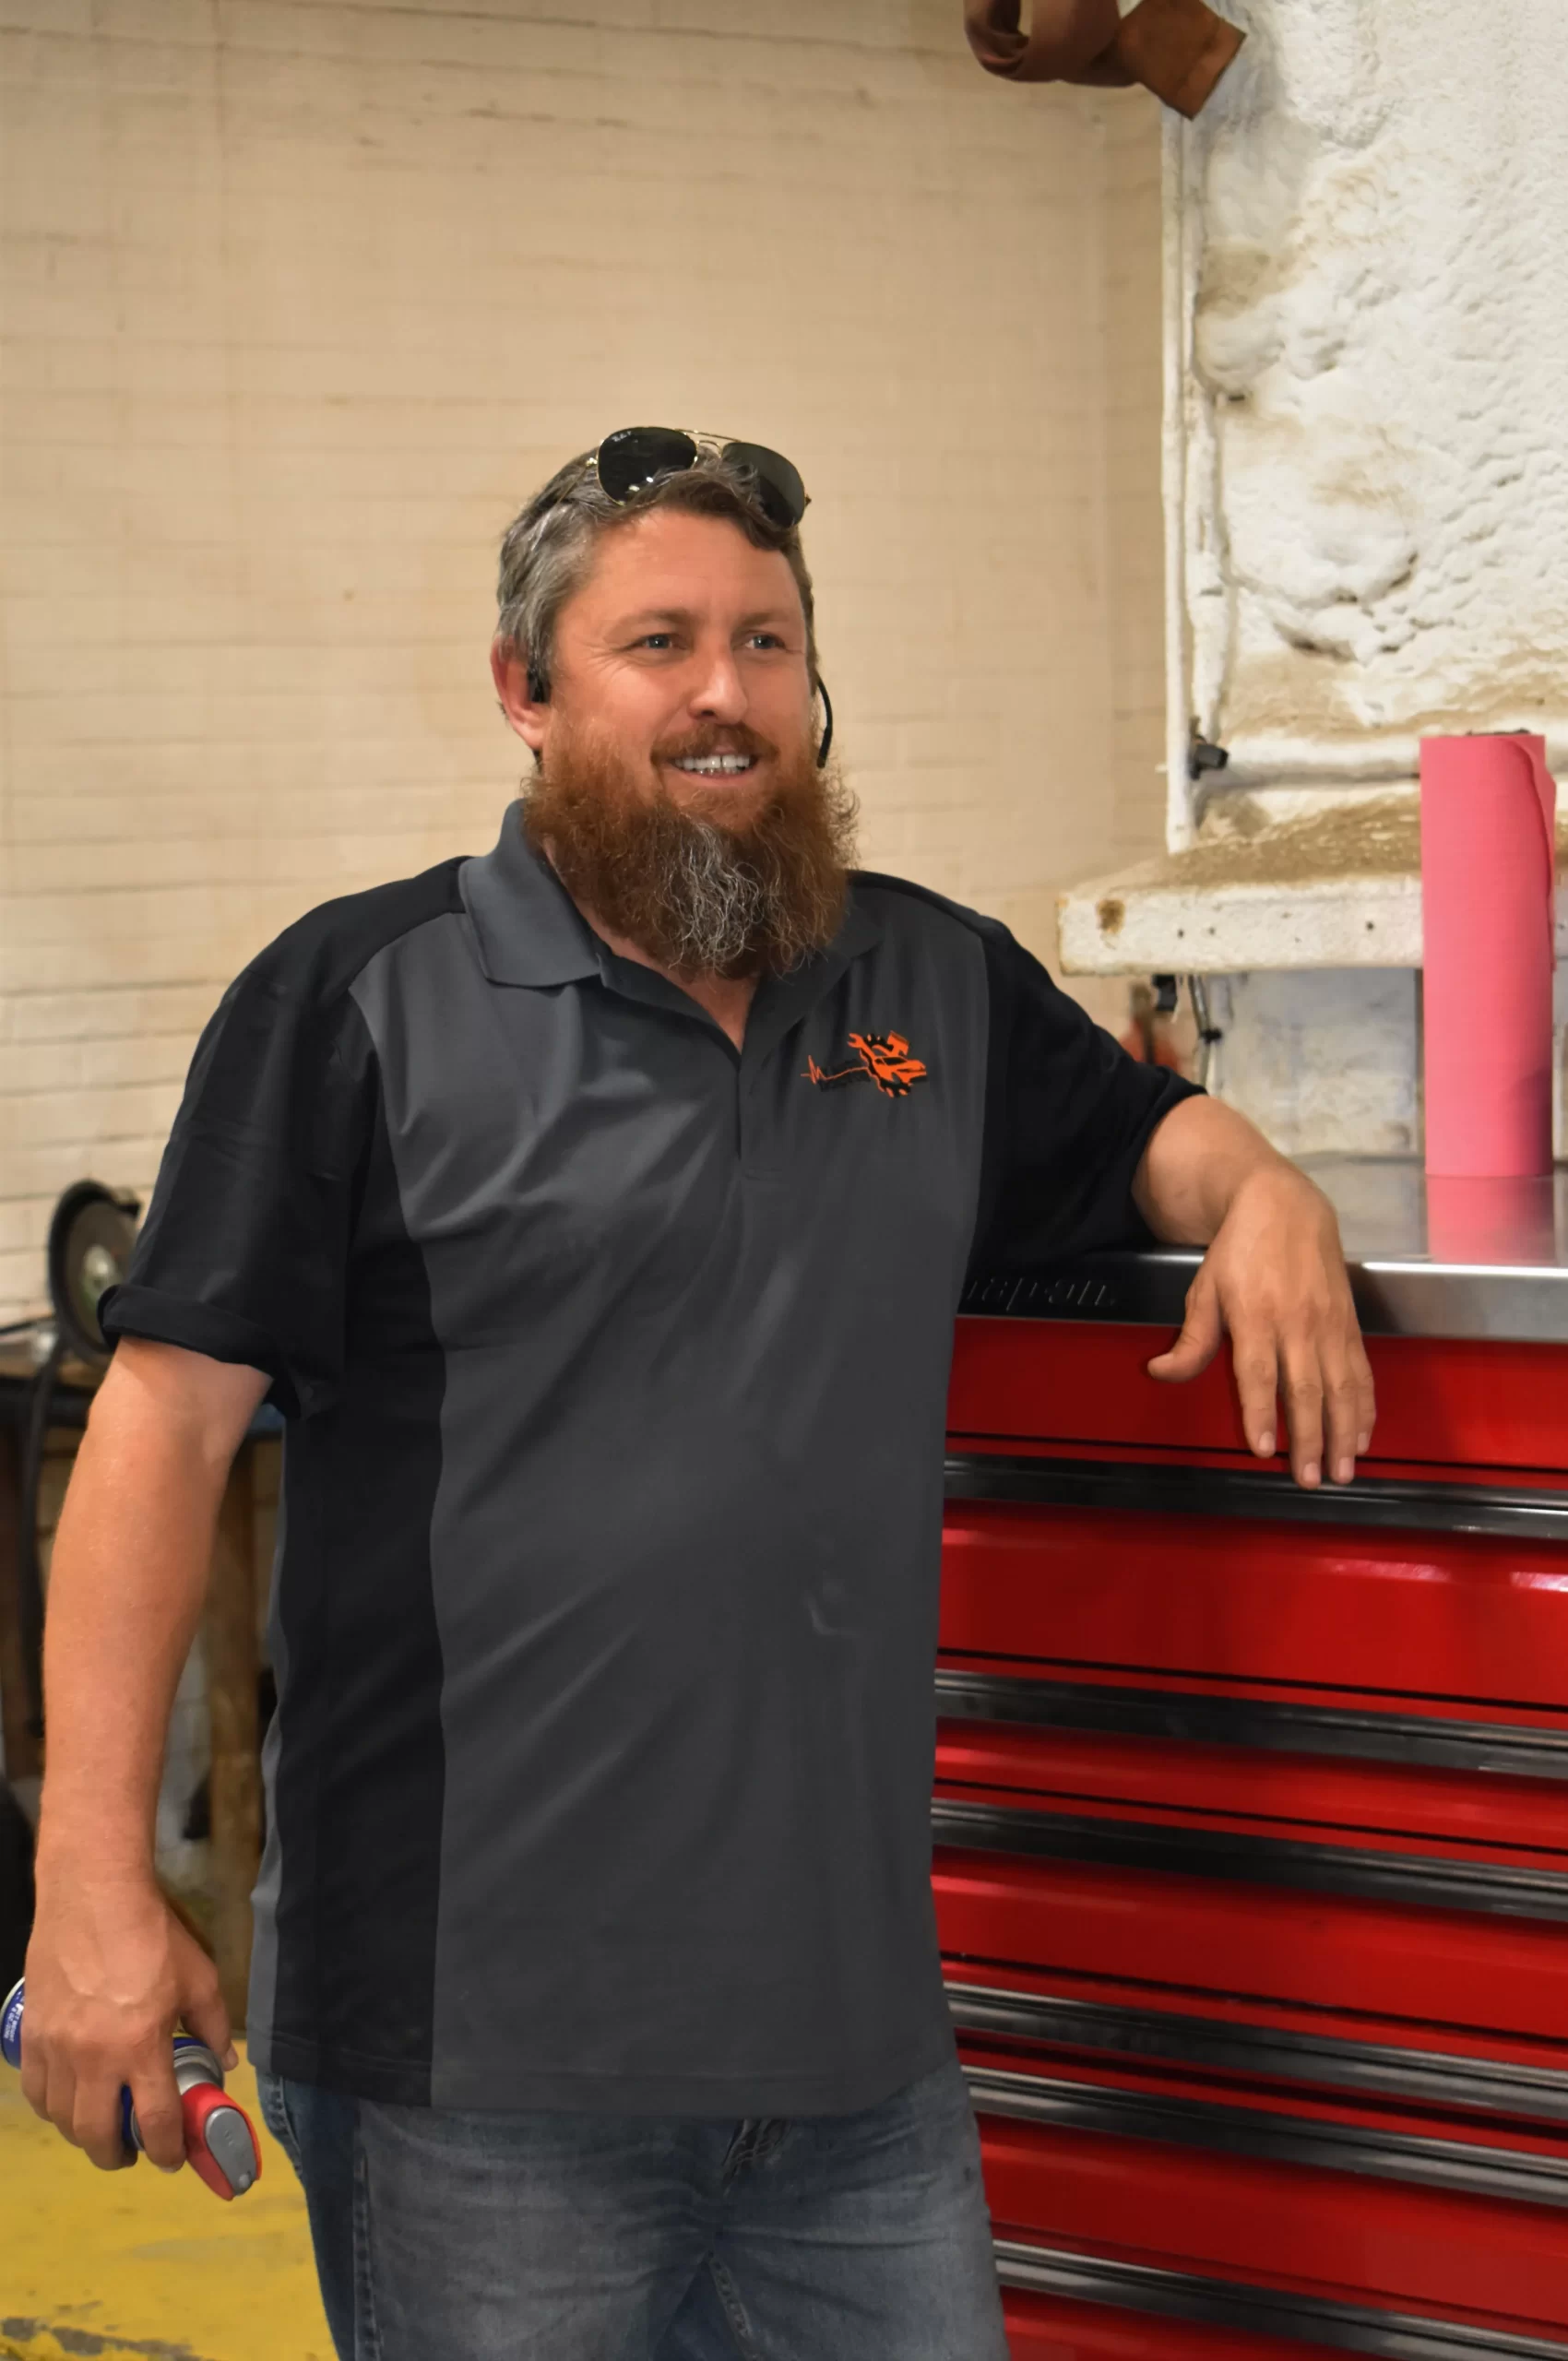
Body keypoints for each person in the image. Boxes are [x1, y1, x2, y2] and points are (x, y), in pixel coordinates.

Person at [20, 429, 1375, 2360]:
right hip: (476, 2076)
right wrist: (89, 1886)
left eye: (764, 642)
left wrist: (1261, 1189)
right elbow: (159, 1429)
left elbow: (1149, 1129)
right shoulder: (357, 1000)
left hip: (854, 2076)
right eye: (657, 640)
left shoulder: (925, 981)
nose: (723, 692)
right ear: (527, 688)